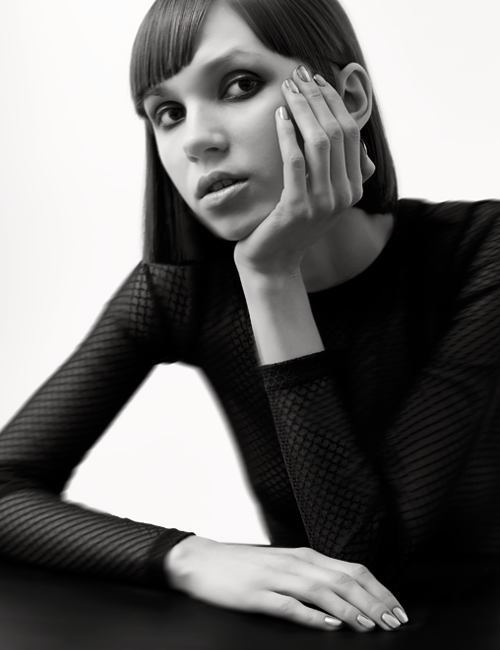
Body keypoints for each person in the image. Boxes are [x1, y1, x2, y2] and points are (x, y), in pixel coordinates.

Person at [0, 0, 499, 634]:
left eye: (239, 84)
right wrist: (189, 556)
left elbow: (367, 561)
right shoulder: (180, 290)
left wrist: (271, 277)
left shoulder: (482, 253)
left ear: (347, 99)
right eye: (168, 113)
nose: (196, 140)